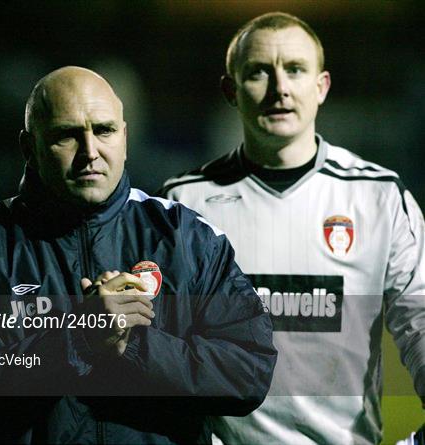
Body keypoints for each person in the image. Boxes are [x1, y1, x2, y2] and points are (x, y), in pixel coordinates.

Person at [0, 66, 276, 444]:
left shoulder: (188, 239)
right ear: (30, 146)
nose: (90, 152)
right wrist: (78, 337)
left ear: (124, 137)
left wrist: (137, 346)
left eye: (104, 131)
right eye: (67, 136)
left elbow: (249, 373)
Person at [161, 12, 425, 445]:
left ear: (321, 87)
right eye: (259, 72)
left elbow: (420, 322)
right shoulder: (183, 204)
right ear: (231, 90)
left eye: (295, 70)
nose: (279, 88)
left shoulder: (379, 197)